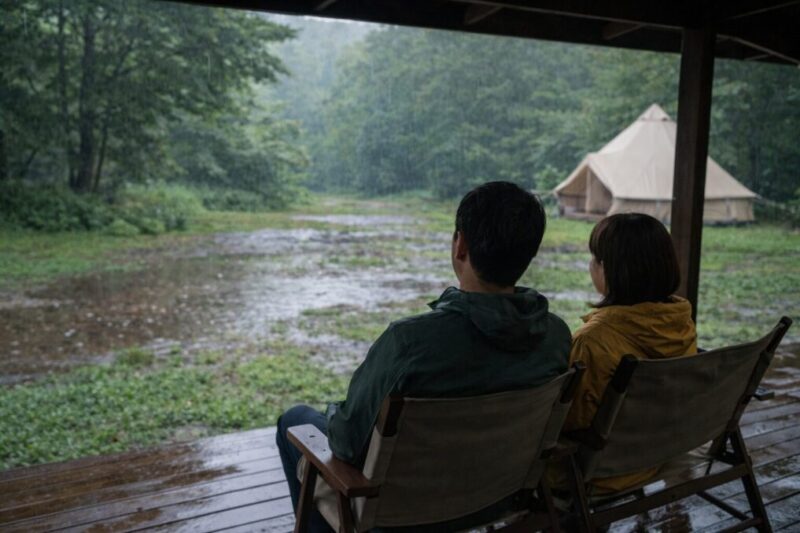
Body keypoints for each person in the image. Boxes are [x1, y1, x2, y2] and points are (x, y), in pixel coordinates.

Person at [276, 181, 572, 532]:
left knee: (294, 420)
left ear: (460, 245)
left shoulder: (410, 342)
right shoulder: (555, 336)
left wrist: (333, 411)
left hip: (398, 516)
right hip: (498, 500)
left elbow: (344, 442)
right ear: (529, 253)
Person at [564, 212, 698, 493]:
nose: (591, 266)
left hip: (600, 472)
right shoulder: (679, 322)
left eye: (595, 258)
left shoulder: (592, 342)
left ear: (609, 269)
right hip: (656, 453)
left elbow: (569, 421)